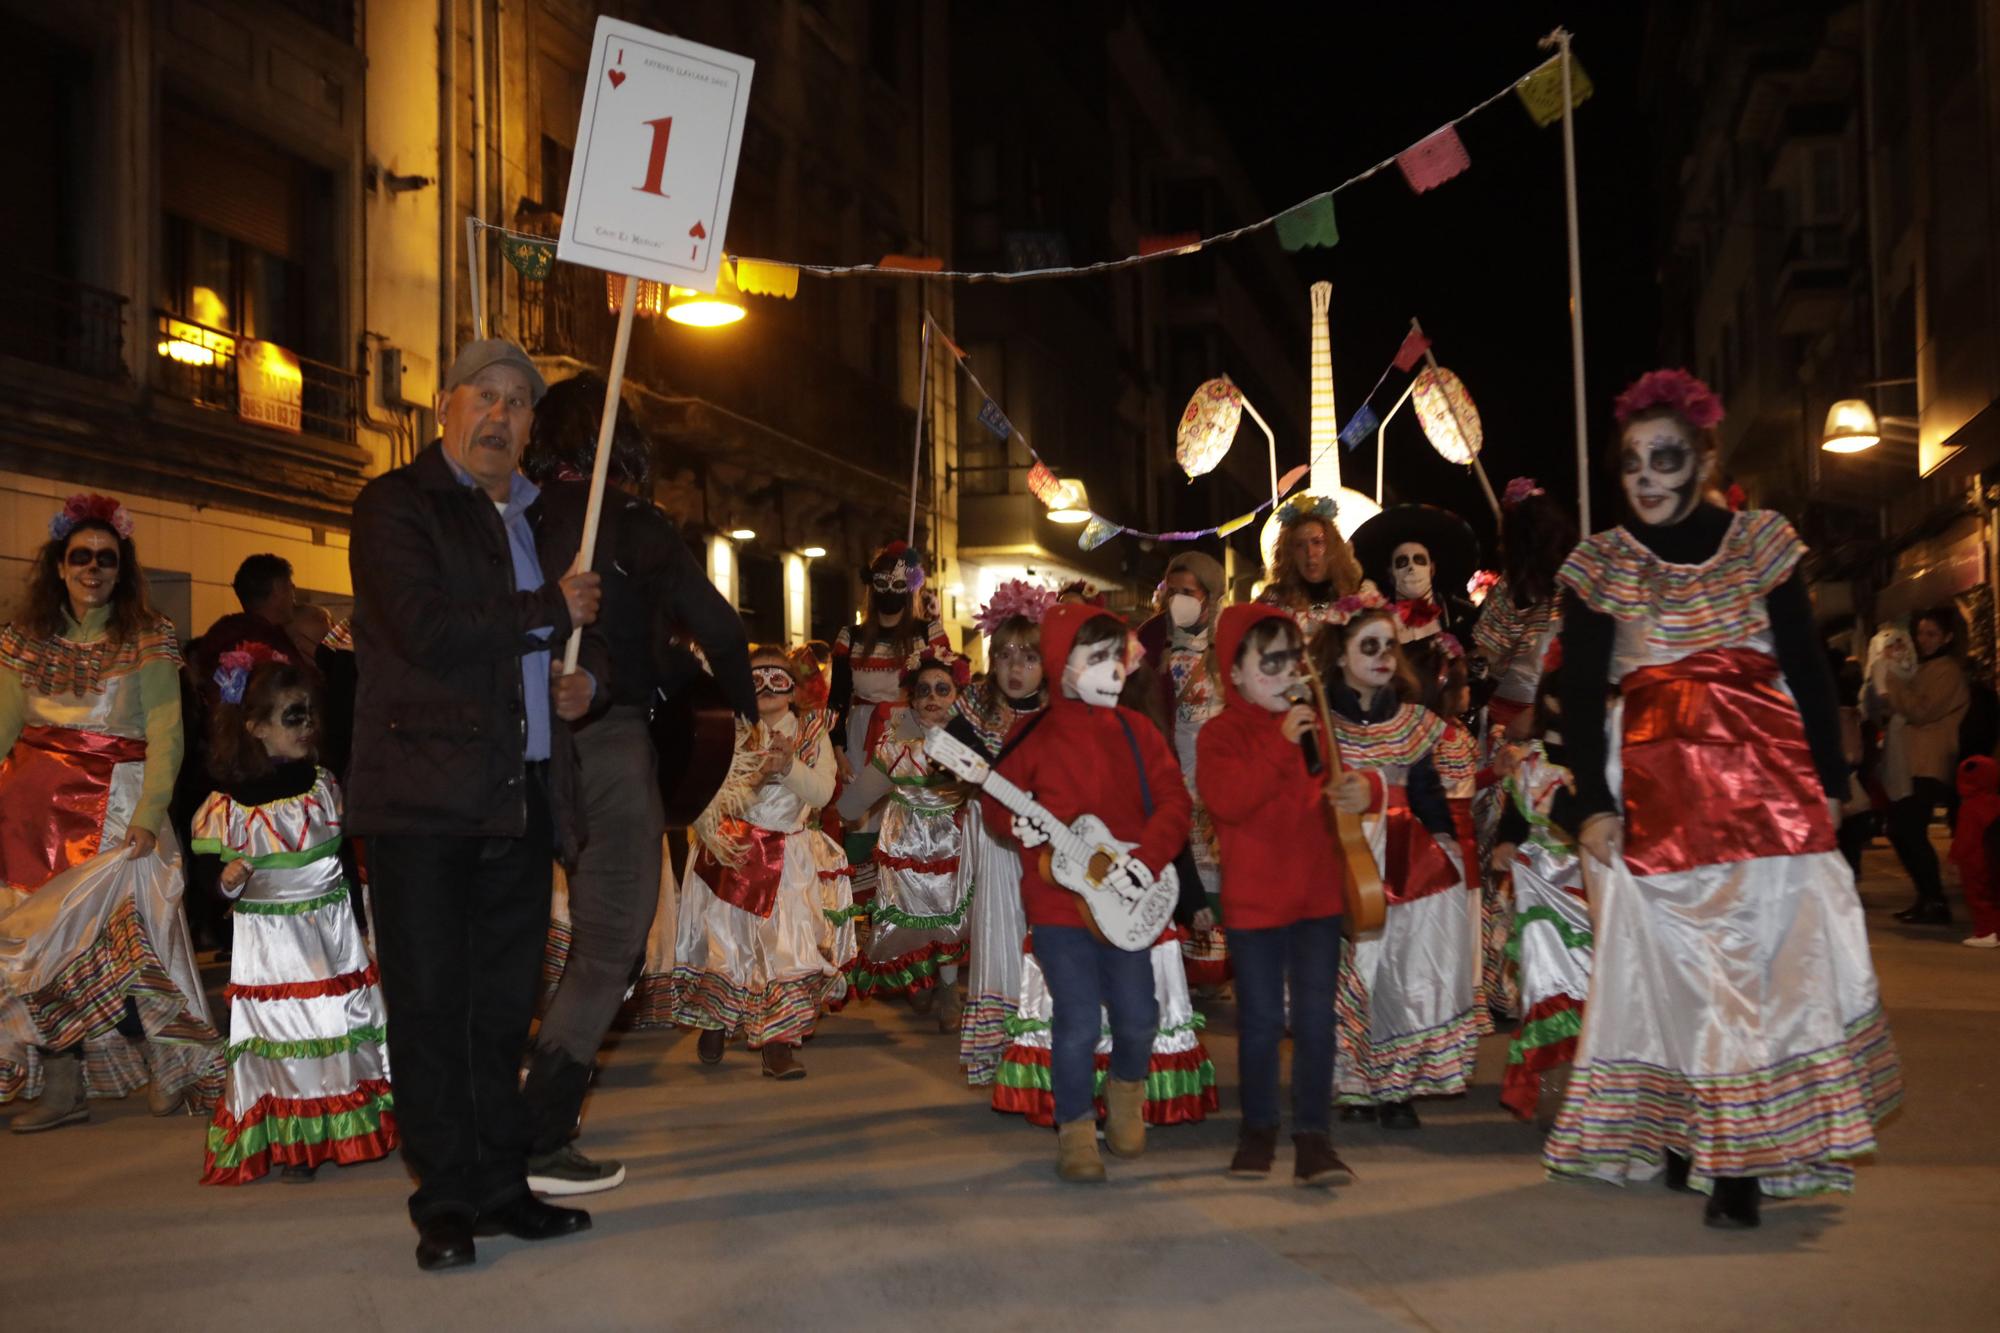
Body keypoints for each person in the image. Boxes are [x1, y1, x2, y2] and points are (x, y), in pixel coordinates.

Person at [1549, 368, 1899, 1229]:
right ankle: (1689, 1130)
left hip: (1766, 784)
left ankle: (1741, 1156)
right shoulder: (1599, 566)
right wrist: (1589, 805)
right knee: (1676, 975)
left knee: (1771, 969)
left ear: (1704, 456)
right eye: (1630, 462)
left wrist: (1831, 778)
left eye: (1663, 457)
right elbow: (1578, 690)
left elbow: (1809, 670)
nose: (1645, 477)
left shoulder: (1762, 543)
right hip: (1656, 792)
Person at [346, 337, 604, 1271]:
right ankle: (445, 1198)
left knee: (503, 1009)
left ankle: (502, 1183)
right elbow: (428, 631)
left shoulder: (535, 521)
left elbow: (536, 652)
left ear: (534, 425)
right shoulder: (395, 507)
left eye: (518, 403)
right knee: (431, 1006)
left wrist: (578, 692)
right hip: (423, 802)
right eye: (483, 396)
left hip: (519, 794)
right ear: (445, 406)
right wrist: (548, 611)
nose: (500, 416)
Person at [515, 372, 754, 1197]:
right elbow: (718, 625)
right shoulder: (637, 524)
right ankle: (539, 1134)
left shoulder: (511, 517)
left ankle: (498, 1114)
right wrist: (746, 715)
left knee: (517, 936)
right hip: (605, 745)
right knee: (611, 941)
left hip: (511, 751)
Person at [1, 493, 225, 1131]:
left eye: (107, 557)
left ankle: (169, 1065)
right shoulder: (22, 641)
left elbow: (168, 734)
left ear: (122, 567)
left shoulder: (147, 637)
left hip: (119, 808)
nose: (93, 567)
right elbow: (3, 728)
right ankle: (64, 1087)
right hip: (29, 818)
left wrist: (151, 814)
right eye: (81, 556)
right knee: (39, 953)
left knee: (131, 945)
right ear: (59, 565)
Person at [984, 605, 1194, 1183]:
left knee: (1137, 1016)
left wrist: (1146, 860)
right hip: (1057, 907)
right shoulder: (1032, 734)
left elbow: (1176, 804)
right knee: (1075, 1020)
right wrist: (1015, 823)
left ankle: (1125, 1097)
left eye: (1115, 656)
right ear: (1062, 665)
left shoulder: (1138, 731)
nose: (1113, 669)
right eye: (1095, 658)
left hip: (1126, 902)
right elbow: (995, 803)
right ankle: (1074, 1129)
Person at [193, 656, 395, 1184]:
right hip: (270, 947)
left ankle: (343, 1127)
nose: (307, 728)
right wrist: (228, 880)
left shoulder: (324, 787)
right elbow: (209, 890)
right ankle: (294, 1138)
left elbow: (348, 862)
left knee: (337, 1026)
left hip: (329, 937)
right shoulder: (229, 807)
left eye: (309, 716)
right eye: (292, 717)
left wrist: (363, 920)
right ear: (255, 727)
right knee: (282, 1037)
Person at [1198, 604, 1371, 1185]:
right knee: (1263, 1022)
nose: (1285, 673)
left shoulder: (1315, 724)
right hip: (1254, 907)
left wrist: (1359, 791)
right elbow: (1228, 801)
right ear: (1236, 674)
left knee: (1317, 1023)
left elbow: (1352, 777)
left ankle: (1314, 1136)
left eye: (1292, 659)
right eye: (1267, 662)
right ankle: (1258, 1127)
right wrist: (1278, 745)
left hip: (1317, 900)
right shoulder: (1221, 734)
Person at [1314, 594, 1478, 1129]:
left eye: (1390, 646)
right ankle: (1355, 1084)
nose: (1383, 656)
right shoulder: (1317, 723)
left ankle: (1397, 1087)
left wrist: (1445, 841)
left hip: (1408, 865)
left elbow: (1428, 792)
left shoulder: (1415, 722)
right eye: (1369, 646)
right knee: (1353, 972)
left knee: (1404, 974)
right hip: (1345, 861)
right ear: (1341, 654)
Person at [668, 645, 853, 1078]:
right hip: (729, 856)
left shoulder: (811, 733)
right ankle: (715, 1019)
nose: (767, 688)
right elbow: (706, 789)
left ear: (794, 689)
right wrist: (748, 776)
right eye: (756, 680)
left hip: (787, 861)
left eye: (778, 679)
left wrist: (788, 767)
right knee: (726, 947)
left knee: (786, 951)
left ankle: (778, 1042)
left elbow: (823, 794)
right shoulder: (727, 730)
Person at [948, 580, 1055, 1083]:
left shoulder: (1061, 710)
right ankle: (1001, 1045)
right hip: (992, 839)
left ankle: (1046, 1039)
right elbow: (944, 762)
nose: (1016, 667)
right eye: (1006, 654)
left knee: (1048, 933)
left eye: (1029, 656)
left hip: (1051, 840)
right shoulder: (976, 704)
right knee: (1000, 930)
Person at [835, 650, 974, 1014]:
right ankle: (919, 978)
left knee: (950, 915)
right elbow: (856, 801)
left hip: (952, 846)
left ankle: (947, 991)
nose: (932, 698)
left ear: (957, 698)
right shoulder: (896, 748)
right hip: (906, 850)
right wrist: (835, 811)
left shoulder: (970, 749)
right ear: (911, 701)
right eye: (923, 690)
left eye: (942, 689)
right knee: (910, 918)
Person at [1485, 650, 1592, 1122]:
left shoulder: (1609, 757)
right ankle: (1552, 1086)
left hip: (1595, 891)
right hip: (1543, 890)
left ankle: (1594, 1089)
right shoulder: (1531, 763)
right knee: (1548, 981)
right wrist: (1507, 843)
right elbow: (1514, 817)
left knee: (1599, 986)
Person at [829, 542, 953, 905]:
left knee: (907, 816)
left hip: (911, 732)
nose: (890, 591)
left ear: (912, 587)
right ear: (872, 585)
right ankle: (865, 908)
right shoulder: (850, 637)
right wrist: (838, 751)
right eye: (883, 581)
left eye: (900, 583)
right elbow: (835, 701)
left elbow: (945, 691)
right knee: (859, 816)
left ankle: (909, 905)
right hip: (859, 736)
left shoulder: (927, 633)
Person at [1135, 553, 1231, 991]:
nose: (1177, 601)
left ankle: (1220, 967)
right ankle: (1179, 972)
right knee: (1175, 871)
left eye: (1188, 593)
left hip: (1220, 782)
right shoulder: (1148, 641)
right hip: (1168, 777)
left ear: (1210, 597)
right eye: (1171, 592)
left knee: (1217, 871)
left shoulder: (1231, 644)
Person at [1883, 604, 1971, 925]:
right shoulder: (1928, 667)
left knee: (1907, 829)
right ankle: (1926, 897)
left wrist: (1891, 683)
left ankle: (1934, 899)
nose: (1924, 640)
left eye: (1932, 633)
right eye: (1921, 633)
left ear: (1948, 636)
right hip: (1914, 761)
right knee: (1901, 829)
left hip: (1929, 762)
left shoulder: (1946, 670)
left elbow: (1921, 711)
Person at [1473, 478, 1576, 739]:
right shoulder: (1508, 588)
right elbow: (1487, 654)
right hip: (1499, 719)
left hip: (1550, 720)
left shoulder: (1575, 591)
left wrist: (1538, 714)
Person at [1351, 505, 1482, 638]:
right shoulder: (1376, 620)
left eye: (1419, 560)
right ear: (1391, 574)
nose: (1411, 568)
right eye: (1402, 562)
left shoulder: (1461, 613)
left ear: (1432, 569)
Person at [1259, 494, 1368, 646]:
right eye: (1299, 545)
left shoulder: (1359, 596)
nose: (1310, 553)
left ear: (1332, 546)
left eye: (1317, 542)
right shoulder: (1274, 601)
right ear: (1290, 554)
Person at [1949, 755, 2000, 948]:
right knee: (1994, 895)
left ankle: (1986, 932)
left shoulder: (1970, 807)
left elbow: (1965, 838)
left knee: (1978, 897)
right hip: (1993, 857)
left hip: (1975, 860)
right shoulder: (1995, 802)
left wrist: (1954, 858)